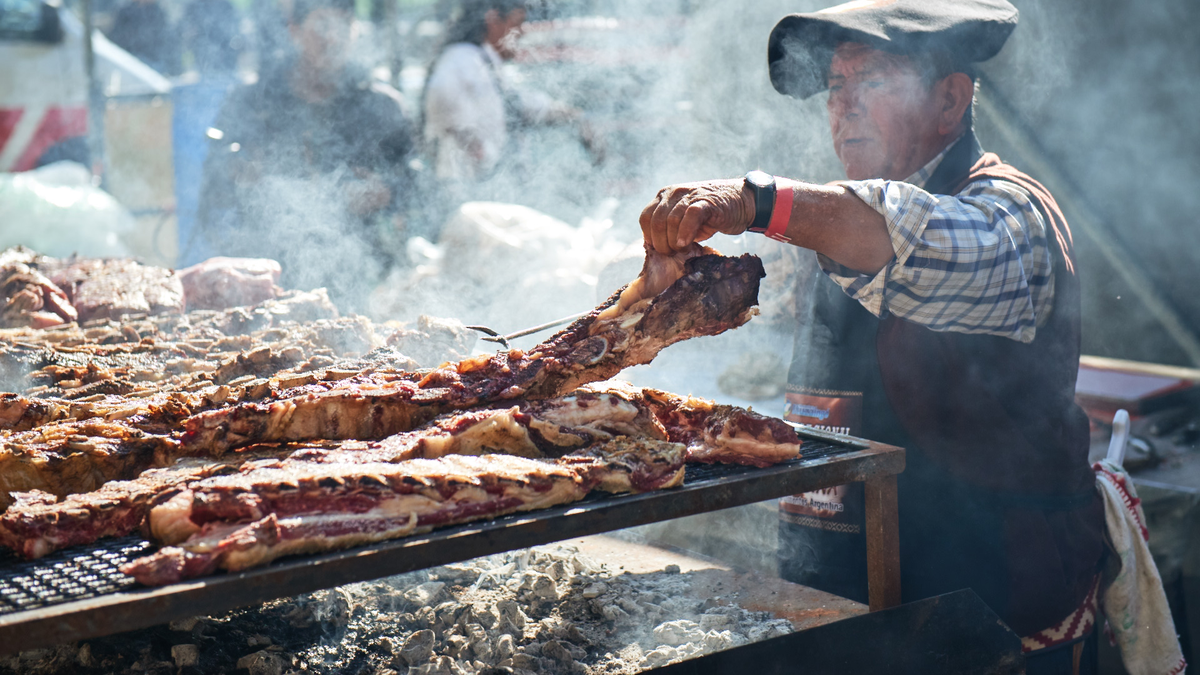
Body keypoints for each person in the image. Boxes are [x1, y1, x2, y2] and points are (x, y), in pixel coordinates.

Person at [638, 2, 1106, 673]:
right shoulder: (838, 218)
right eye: (835, 86)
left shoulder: (1010, 213)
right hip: (846, 608)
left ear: (950, 100)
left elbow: (918, 237)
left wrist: (753, 201)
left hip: (983, 624)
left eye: (874, 81)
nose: (844, 106)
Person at [189, 0, 417, 312]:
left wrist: (385, 191)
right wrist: (239, 172)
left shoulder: (382, 107)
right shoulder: (252, 102)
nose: (333, 37)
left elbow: (417, 181)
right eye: (322, 24)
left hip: (364, 280)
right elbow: (212, 189)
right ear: (294, 29)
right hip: (265, 279)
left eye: (343, 25)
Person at [421, 0, 597, 191]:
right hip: (468, 189)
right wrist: (476, 149)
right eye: (517, 23)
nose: (521, 32)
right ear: (493, 19)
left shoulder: (483, 62)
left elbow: (521, 104)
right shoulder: (462, 59)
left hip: (486, 187)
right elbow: (447, 107)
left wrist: (576, 117)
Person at [107, 0, 181, 75]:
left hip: (155, 67)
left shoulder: (160, 13)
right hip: (128, 66)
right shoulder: (125, 13)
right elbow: (115, 44)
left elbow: (169, 45)